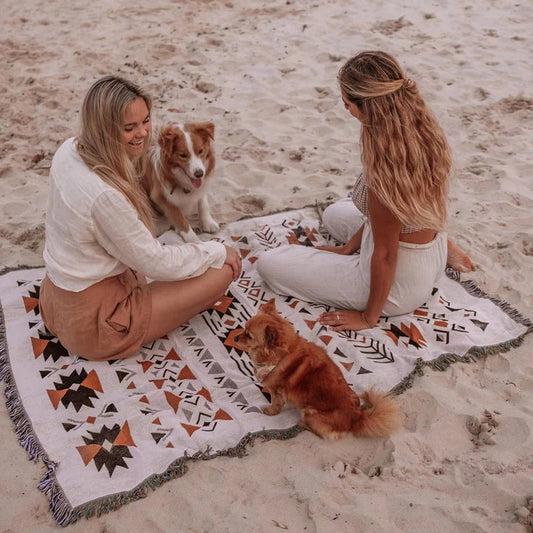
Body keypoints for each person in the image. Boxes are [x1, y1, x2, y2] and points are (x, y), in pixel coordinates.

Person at [257, 51, 473, 332]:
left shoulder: (388, 169)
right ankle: (445, 249)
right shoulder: (421, 129)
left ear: (370, 106)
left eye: (348, 103)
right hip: (426, 252)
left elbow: (385, 255)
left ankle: (384, 293)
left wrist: (369, 317)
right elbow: (381, 218)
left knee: (269, 263)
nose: (346, 109)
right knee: (335, 214)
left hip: (399, 285)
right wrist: (348, 248)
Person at [39, 75, 241, 360]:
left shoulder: (68, 149)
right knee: (223, 270)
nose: (143, 133)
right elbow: (155, 263)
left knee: (172, 254)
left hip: (53, 302)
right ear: (104, 129)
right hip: (99, 324)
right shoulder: (105, 194)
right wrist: (216, 250)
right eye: (129, 127)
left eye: (146, 121)